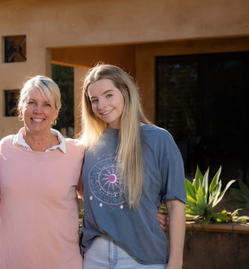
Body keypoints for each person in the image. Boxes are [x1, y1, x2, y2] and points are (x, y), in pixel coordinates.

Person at [0, 75, 168, 269]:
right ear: (21, 109)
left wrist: (140, 210)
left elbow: (98, 196)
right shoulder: (5, 147)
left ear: (56, 113)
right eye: (31, 102)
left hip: (63, 262)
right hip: (10, 261)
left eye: (47, 104)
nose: (38, 110)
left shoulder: (75, 152)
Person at [79, 64, 186, 269]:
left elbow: (175, 206)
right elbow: (83, 192)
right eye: (94, 100)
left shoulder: (159, 140)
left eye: (108, 95)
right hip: (95, 257)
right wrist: (135, 208)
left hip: (144, 259)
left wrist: (175, 264)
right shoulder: (88, 146)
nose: (101, 105)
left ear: (126, 91)